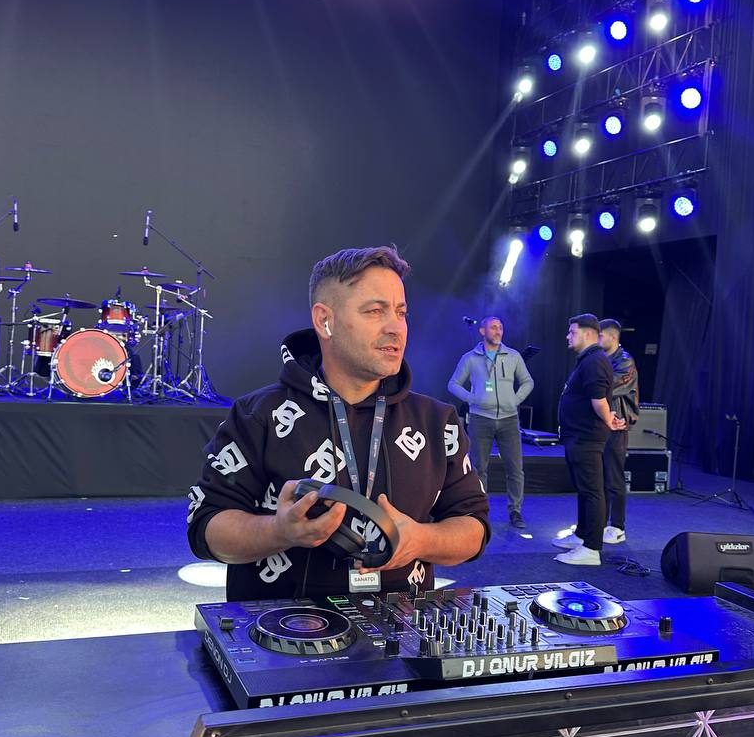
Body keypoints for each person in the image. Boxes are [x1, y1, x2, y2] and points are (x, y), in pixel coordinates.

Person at [187, 246, 490, 600]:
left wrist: (419, 539)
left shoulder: (437, 421)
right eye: (375, 311)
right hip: (279, 628)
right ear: (324, 321)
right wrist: (278, 532)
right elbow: (206, 527)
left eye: (401, 312)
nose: (396, 328)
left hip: (402, 628)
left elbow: (474, 527)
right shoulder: (258, 415)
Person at [552, 313, 626, 566]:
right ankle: (582, 535)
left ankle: (591, 548)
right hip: (578, 436)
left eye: (572, 332)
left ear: (587, 334)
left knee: (593, 491)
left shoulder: (595, 361)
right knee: (585, 490)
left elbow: (599, 399)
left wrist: (608, 419)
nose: (568, 336)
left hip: (587, 437)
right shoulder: (588, 359)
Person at [447, 317, 534, 529]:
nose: (498, 331)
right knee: (478, 468)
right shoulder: (470, 358)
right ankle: (480, 510)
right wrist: (472, 399)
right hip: (480, 419)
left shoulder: (513, 356)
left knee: (515, 468)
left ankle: (515, 511)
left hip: (509, 419)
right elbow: (453, 384)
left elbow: (528, 382)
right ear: (482, 331)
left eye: (500, 327)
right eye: (493, 327)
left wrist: (515, 400)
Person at [598, 318, 639, 543]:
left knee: (614, 476)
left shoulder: (624, 361)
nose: (596, 340)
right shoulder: (602, 359)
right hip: (601, 424)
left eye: (600, 336)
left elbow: (606, 386)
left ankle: (617, 526)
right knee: (601, 477)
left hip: (617, 424)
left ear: (613, 337)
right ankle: (600, 523)